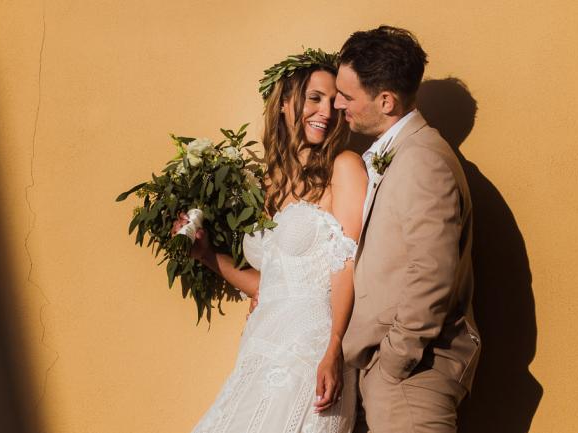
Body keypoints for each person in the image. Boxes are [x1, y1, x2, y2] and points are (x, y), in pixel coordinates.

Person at [179, 48, 369, 433]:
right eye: (314, 99)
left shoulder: (343, 167)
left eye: (332, 102)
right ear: (284, 103)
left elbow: (346, 263)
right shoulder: (268, 185)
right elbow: (276, 285)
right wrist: (206, 256)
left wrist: (334, 347)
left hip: (312, 353)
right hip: (262, 346)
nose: (326, 112)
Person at [334, 26, 481, 433]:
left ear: (386, 101)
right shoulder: (398, 155)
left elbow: (432, 272)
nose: (337, 102)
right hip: (390, 376)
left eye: (347, 95)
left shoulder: (423, 160)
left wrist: (395, 360)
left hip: (412, 378)